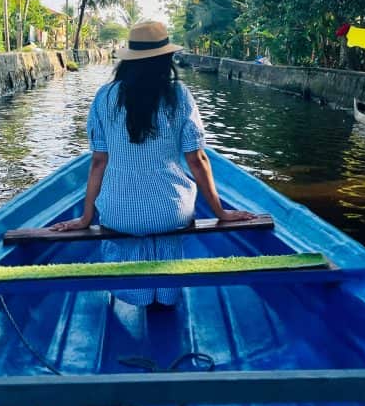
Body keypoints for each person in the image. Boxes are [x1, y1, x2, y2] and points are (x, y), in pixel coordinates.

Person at [51, 21, 254, 307]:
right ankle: (166, 290)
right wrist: (221, 211)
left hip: (120, 214)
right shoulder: (179, 95)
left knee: (131, 226)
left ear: (128, 59)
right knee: (163, 222)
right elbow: (197, 160)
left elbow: (98, 163)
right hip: (172, 211)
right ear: (166, 59)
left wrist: (85, 219)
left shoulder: (104, 97)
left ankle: (136, 290)